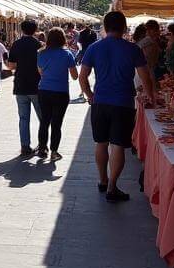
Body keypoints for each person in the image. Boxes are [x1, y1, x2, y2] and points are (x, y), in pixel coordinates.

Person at [79, 11, 155, 203]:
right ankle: (113, 186)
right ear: (123, 27)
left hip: (100, 102)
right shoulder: (132, 49)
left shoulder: (94, 48)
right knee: (118, 145)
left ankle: (102, 180)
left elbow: (83, 76)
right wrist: (150, 96)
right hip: (123, 103)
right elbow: (145, 76)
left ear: (105, 26)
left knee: (101, 142)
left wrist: (89, 95)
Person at [36, 27, 79, 161]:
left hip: (44, 90)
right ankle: (54, 151)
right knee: (57, 123)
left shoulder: (41, 53)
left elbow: (41, 72)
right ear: (63, 39)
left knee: (44, 121)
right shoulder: (67, 54)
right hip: (61, 92)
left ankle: (42, 148)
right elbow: (74, 76)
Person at [6, 20, 42, 156]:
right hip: (37, 85)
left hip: (20, 85)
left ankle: (25, 146)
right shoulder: (39, 45)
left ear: (21, 29)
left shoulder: (16, 44)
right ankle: (43, 144)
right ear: (35, 29)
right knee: (42, 117)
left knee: (23, 118)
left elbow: (11, 66)